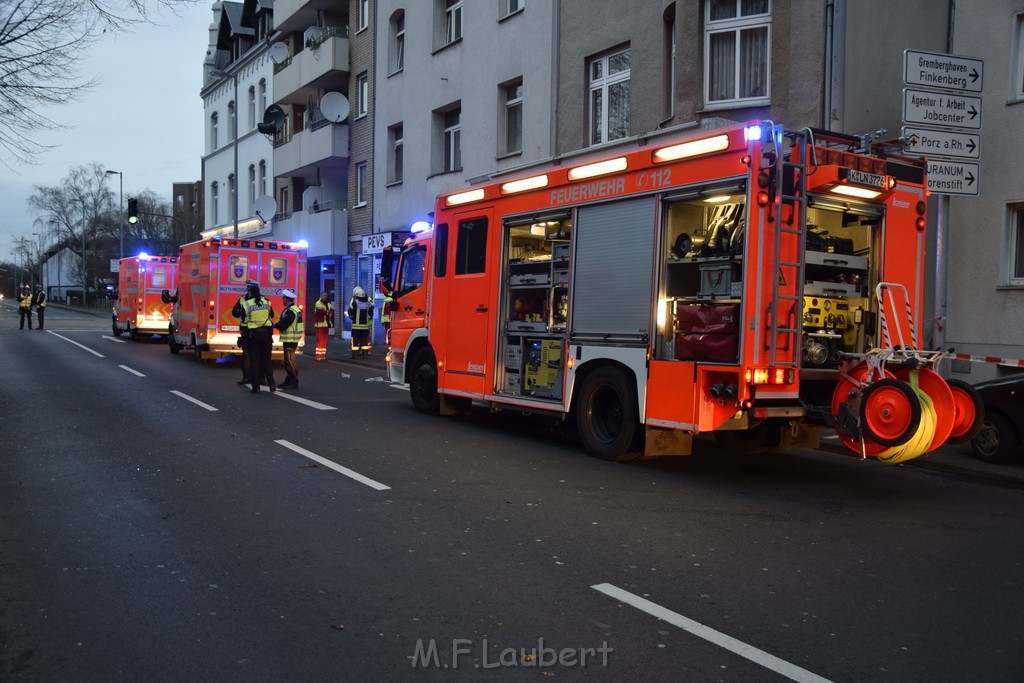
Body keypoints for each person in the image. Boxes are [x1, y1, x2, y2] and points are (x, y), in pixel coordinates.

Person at [240, 282, 276, 394]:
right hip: (267, 335)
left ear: (250, 293)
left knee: (254, 361)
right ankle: (272, 384)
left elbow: (244, 320)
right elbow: (272, 315)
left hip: (253, 335)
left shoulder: (247, 304)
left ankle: (256, 387)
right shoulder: (267, 302)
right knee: (267, 360)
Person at [274, 289, 303, 389]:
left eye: (283, 298)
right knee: (289, 360)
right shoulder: (294, 309)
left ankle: (294, 381)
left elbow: (284, 324)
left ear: (287, 299)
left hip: (290, 340)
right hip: (292, 339)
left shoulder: (290, 311)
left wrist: (273, 325)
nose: (282, 300)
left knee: (290, 361)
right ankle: (289, 380)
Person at [231, 284, 254, 385]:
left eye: (250, 288)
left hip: (252, 332)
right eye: (247, 288)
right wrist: (241, 311)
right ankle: (248, 377)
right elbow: (234, 312)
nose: (248, 290)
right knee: (247, 356)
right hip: (247, 331)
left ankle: (254, 378)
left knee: (249, 356)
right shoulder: (242, 299)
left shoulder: (262, 300)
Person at [347, 285, 374, 358]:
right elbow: (371, 314)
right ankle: (365, 355)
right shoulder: (368, 303)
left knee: (355, 342)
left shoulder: (355, 303)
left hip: (356, 327)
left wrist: (352, 318)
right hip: (365, 327)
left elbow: (350, 312)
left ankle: (355, 356)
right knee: (364, 342)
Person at [313, 290, 334, 361]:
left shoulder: (328, 304)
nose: (325, 297)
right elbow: (322, 312)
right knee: (320, 340)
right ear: (321, 296)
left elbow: (332, 311)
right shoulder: (318, 303)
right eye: (323, 295)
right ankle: (318, 356)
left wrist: (327, 312)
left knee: (324, 341)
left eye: (326, 295)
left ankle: (323, 355)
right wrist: (328, 312)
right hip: (320, 325)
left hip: (326, 325)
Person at [379, 279, 395, 346]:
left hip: (389, 321)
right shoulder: (389, 298)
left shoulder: (389, 299)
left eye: (383, 291)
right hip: (388, 321)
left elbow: (387, 312)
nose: (382, 292)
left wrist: (383, 320)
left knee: (390, 336)